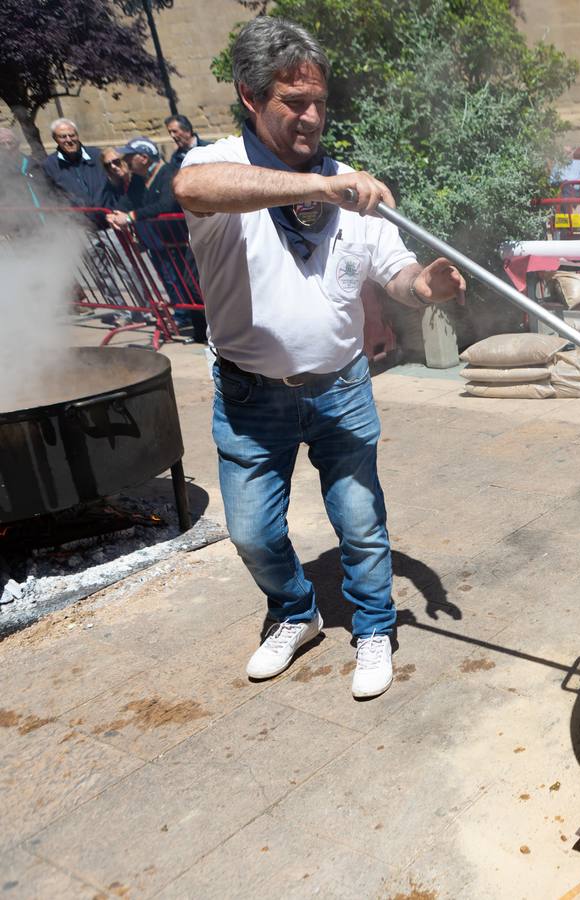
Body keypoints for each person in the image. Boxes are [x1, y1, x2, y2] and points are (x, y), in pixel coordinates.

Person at [173, 15, 467, 698]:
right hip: (251, 397)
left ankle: (372, 627)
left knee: (361, 524)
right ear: (250, 95)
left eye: (319, 103)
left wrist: (427, 286)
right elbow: (193, 194)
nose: (311, 118)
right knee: (250, 532)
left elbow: (396, 272)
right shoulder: (216, 166)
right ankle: (295, 612)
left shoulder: (351, 188)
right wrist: (320, 187)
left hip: (340, 387)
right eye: (293, 102)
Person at [107, 136, 207, 342]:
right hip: (159, 242)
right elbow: (129, 201)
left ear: (143, 157)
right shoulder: (137, 178)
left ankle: (207, 330)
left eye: (129, 156)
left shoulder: (169, 173)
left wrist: (131, 216)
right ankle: (195, 329)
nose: (126, 161)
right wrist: (116, 212)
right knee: (173, 285)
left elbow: (166, 205)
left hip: (182, 242)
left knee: (193, 287)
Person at [42, 118, 109, 208]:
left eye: (72, 135)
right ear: (55, 139)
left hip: (108, 214)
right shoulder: (50, 164)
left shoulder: (97, 155)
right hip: (75, 218)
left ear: (77, 136)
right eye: (63, 137)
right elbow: (50, 195)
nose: (69, 140)